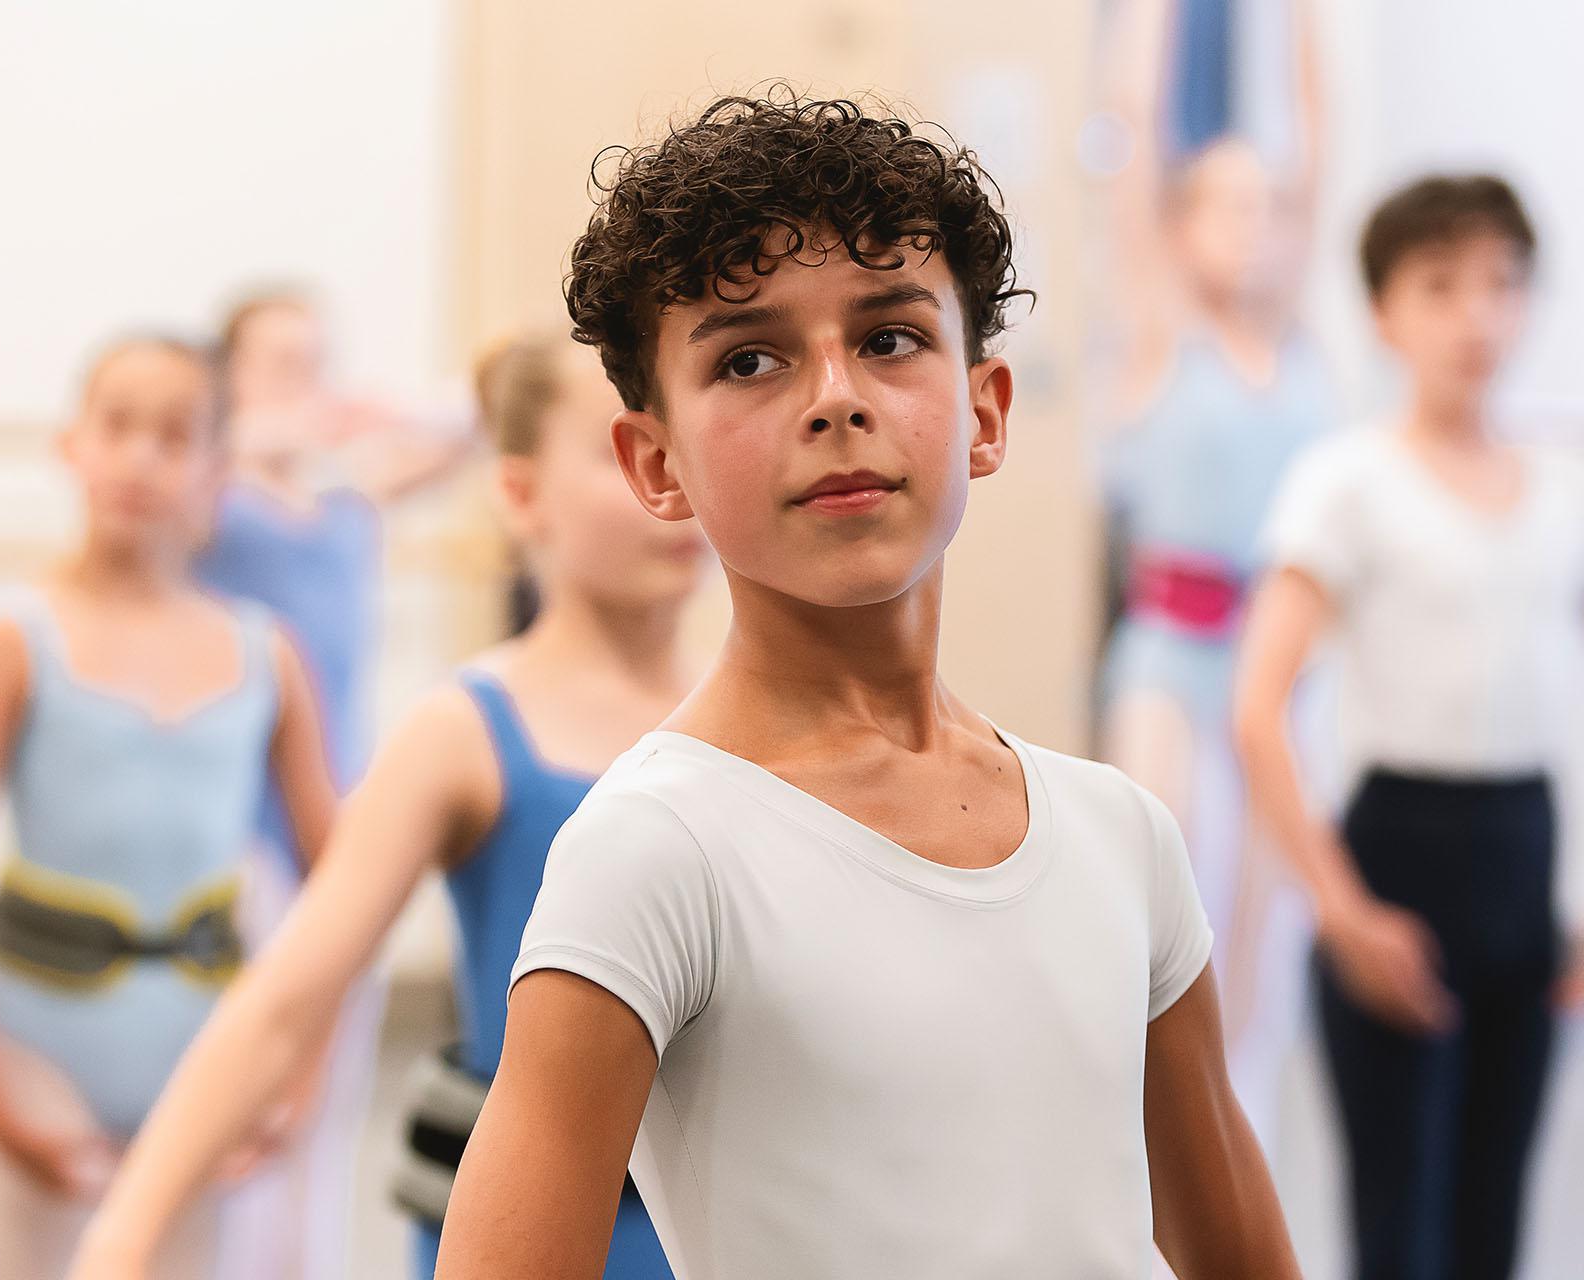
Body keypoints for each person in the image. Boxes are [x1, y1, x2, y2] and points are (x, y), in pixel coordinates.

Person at [438, 92, 1297, 1279]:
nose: (835, 396)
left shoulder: (1121, 836)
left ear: (984, 412)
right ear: (658, 462)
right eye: (750, 357)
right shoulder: (659, 849)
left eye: (890, 338)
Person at [66, 332, 701, 1280]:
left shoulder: (753, 727)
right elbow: (284, 1000)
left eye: (687, 448)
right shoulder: (468, 730)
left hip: (722, 1230)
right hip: (534, 1241)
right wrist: (125, 1234)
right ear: (521, 495)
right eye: (624, 454)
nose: (669, 487)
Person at [0, 336, 339, 1279]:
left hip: (205, 1070)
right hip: (38, 1067)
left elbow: (344, 888)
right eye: (119, 427)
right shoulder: (13, 639)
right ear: (73, 446)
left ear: (219, 472)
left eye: (174, 436)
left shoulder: (266, 656)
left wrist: (301, 1085)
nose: (141, 457)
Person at [1233, 174, 1584, 1280]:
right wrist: (1343, 913)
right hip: (1399, 859)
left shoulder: (1563, 488)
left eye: (1501, 285)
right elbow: (1257, 713)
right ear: (1384, 313)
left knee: (1496, 1231)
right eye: (1440, 286)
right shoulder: (1347, 482)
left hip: (1525, 866)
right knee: (1404, 1231)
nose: (1476, 315)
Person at [194, 289, 474, 1276]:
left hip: (339, 826)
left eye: (313, 359)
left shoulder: (347, 499)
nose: (299, 381)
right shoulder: (214, 499)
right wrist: (272, 420)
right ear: (226, 378)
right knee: (231, 1096)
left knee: (324, 1103)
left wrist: (368, 409)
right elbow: (193, 460)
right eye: (275, 360)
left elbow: (474, 420)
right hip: (231, 836)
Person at [1092, 0, 1331, 1134]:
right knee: (1166, 944)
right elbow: (1135, 135)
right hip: (1172, 667)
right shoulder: (1163, 330)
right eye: (1225, 200)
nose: (1252, 223)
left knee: (1265, 963)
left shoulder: (1304, 350)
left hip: (1279, 680)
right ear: (1185, 225)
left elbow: (1323, 137)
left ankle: (1250, 1209)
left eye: (1268, 203)